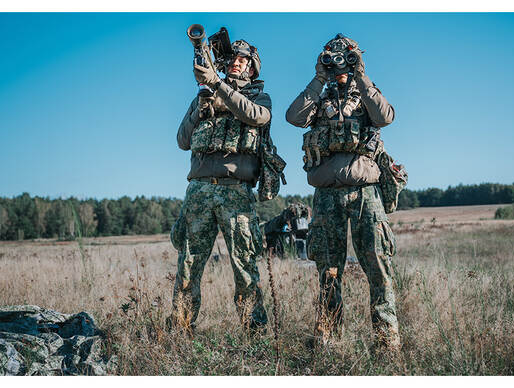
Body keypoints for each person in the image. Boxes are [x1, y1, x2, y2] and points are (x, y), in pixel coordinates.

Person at [285, 34, 400, 351]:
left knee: (377, 266)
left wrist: (361, 74)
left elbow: (385, 117)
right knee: (328, 269)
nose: (339, 65)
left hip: (365, 193)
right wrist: (318, 78)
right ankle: (328, 339)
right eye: (332, 59)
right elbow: (293, 117)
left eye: (346, 58)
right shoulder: (319, 100)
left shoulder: (366, 95)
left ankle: (386, 341)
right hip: (327, 195)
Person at [169, 36, 270, 333]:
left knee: (244, 262)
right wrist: (200, 107)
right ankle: (180, 327)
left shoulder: (258, 96)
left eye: (242, 60)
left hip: (235, 191)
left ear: (252, 68)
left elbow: (257, 117)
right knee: (188, 262)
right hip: (199, 190)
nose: (235, 63)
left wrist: (217, 84)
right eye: (232, 59)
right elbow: (182, 141)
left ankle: (254, 329)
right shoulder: (204, 94)